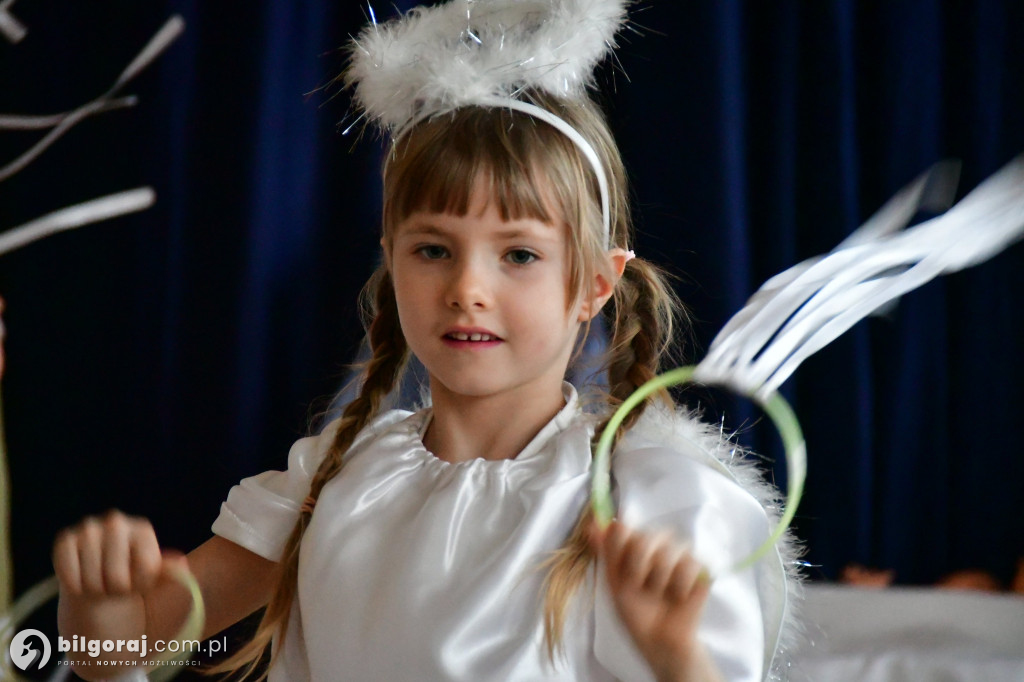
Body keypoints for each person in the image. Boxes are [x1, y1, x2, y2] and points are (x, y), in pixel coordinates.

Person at [51, 5, 800, 682]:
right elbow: (121, 650)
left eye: (519, 255)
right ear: (390, 256)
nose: (468, 288)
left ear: (593, 285)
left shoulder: (646, 503)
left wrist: (678, 659)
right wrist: (103, 610)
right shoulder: (333, 478)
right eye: (434, 249)